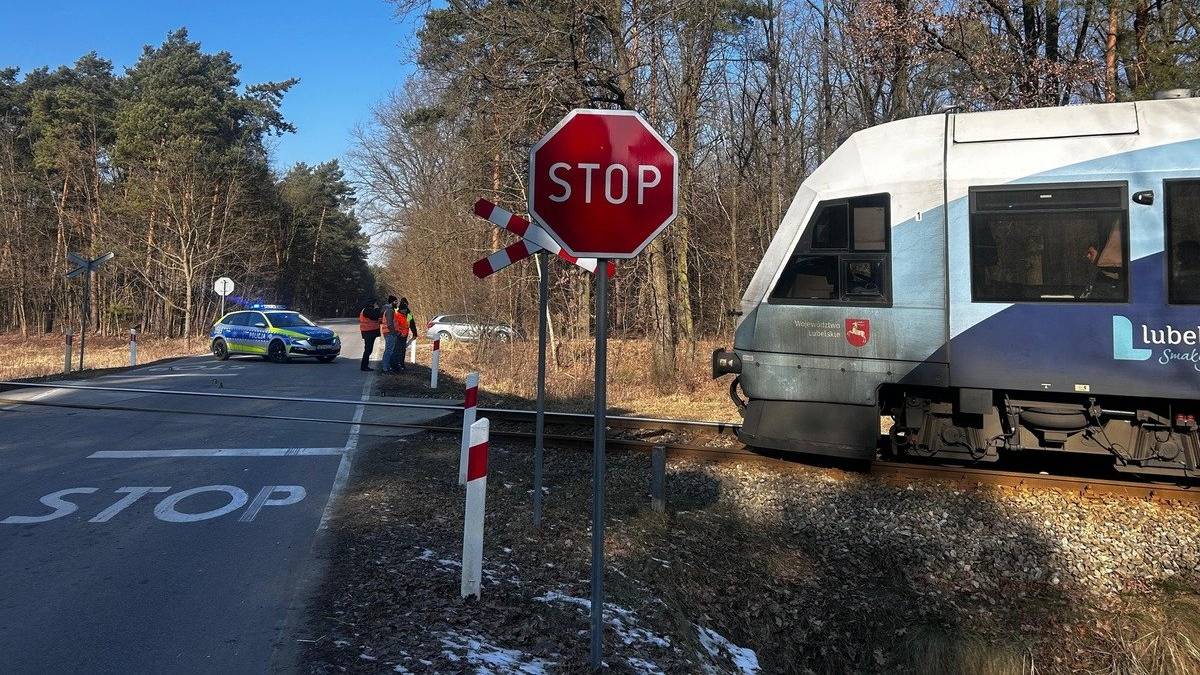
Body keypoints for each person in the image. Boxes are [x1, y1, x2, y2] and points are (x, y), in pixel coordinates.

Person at [358, 299, 382, 371]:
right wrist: (377, 308)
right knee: (368, 350)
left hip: (370, 332)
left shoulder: (367, 310)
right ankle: (364, 366)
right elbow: (375, 316)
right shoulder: (367, 310)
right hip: (368, 332)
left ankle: (365, 365)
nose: (376, 304)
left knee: (369, 350)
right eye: (375, 303)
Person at [396, 298, 417, 370]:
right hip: (399, 334)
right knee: (401, 350)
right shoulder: (399, 313)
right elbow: (412, 324)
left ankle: (400, 364)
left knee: (400, 349)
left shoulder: (406, 313)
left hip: (402, 334)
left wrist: (415, 333)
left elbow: (412, 324)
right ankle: (399, 364)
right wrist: (414, 333)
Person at [380, 295, 399, 373]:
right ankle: (385, 368)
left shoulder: (389, 310)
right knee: (389, 350)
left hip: (388, 332)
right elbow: (390, 323)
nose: (397, 303)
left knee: (389, 350)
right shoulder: (390, 311)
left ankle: (387, 367)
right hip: (390, 333)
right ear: (392, 302)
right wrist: (394, 332)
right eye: (395, 301)